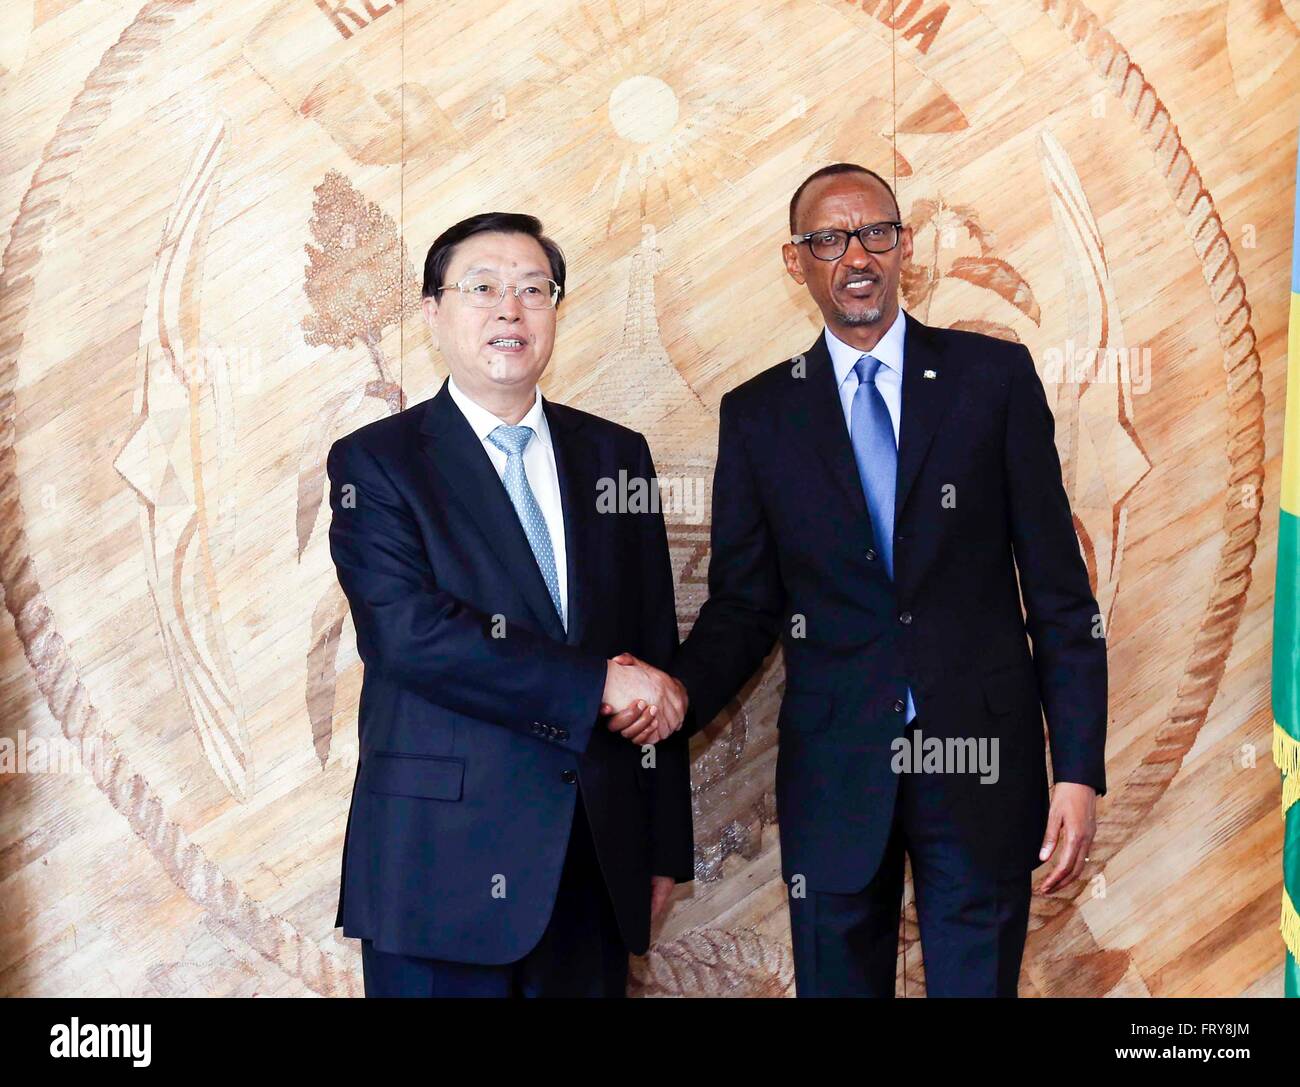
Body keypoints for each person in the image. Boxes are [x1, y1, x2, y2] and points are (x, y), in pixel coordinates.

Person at [612, 163, 1107, 996]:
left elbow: (1059, 595)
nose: (857, 256)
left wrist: (1079, 768)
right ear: (794, 260)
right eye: (828, 239)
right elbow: (745, 604)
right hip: (837, 777)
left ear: (905, 246)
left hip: (984, 769)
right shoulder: (761, 414)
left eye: (876, 232)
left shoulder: (994, 381)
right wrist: (675, 692)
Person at [326, 212, 692, 997]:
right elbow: (408, 635)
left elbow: (650, 649)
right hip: (437, 873)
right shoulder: (377, 463)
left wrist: (664, 845)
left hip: (592, 869)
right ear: (433, 312)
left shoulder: (615, 455)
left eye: (533, 289)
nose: (509, 310)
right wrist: (594, 682)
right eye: (481, 288)